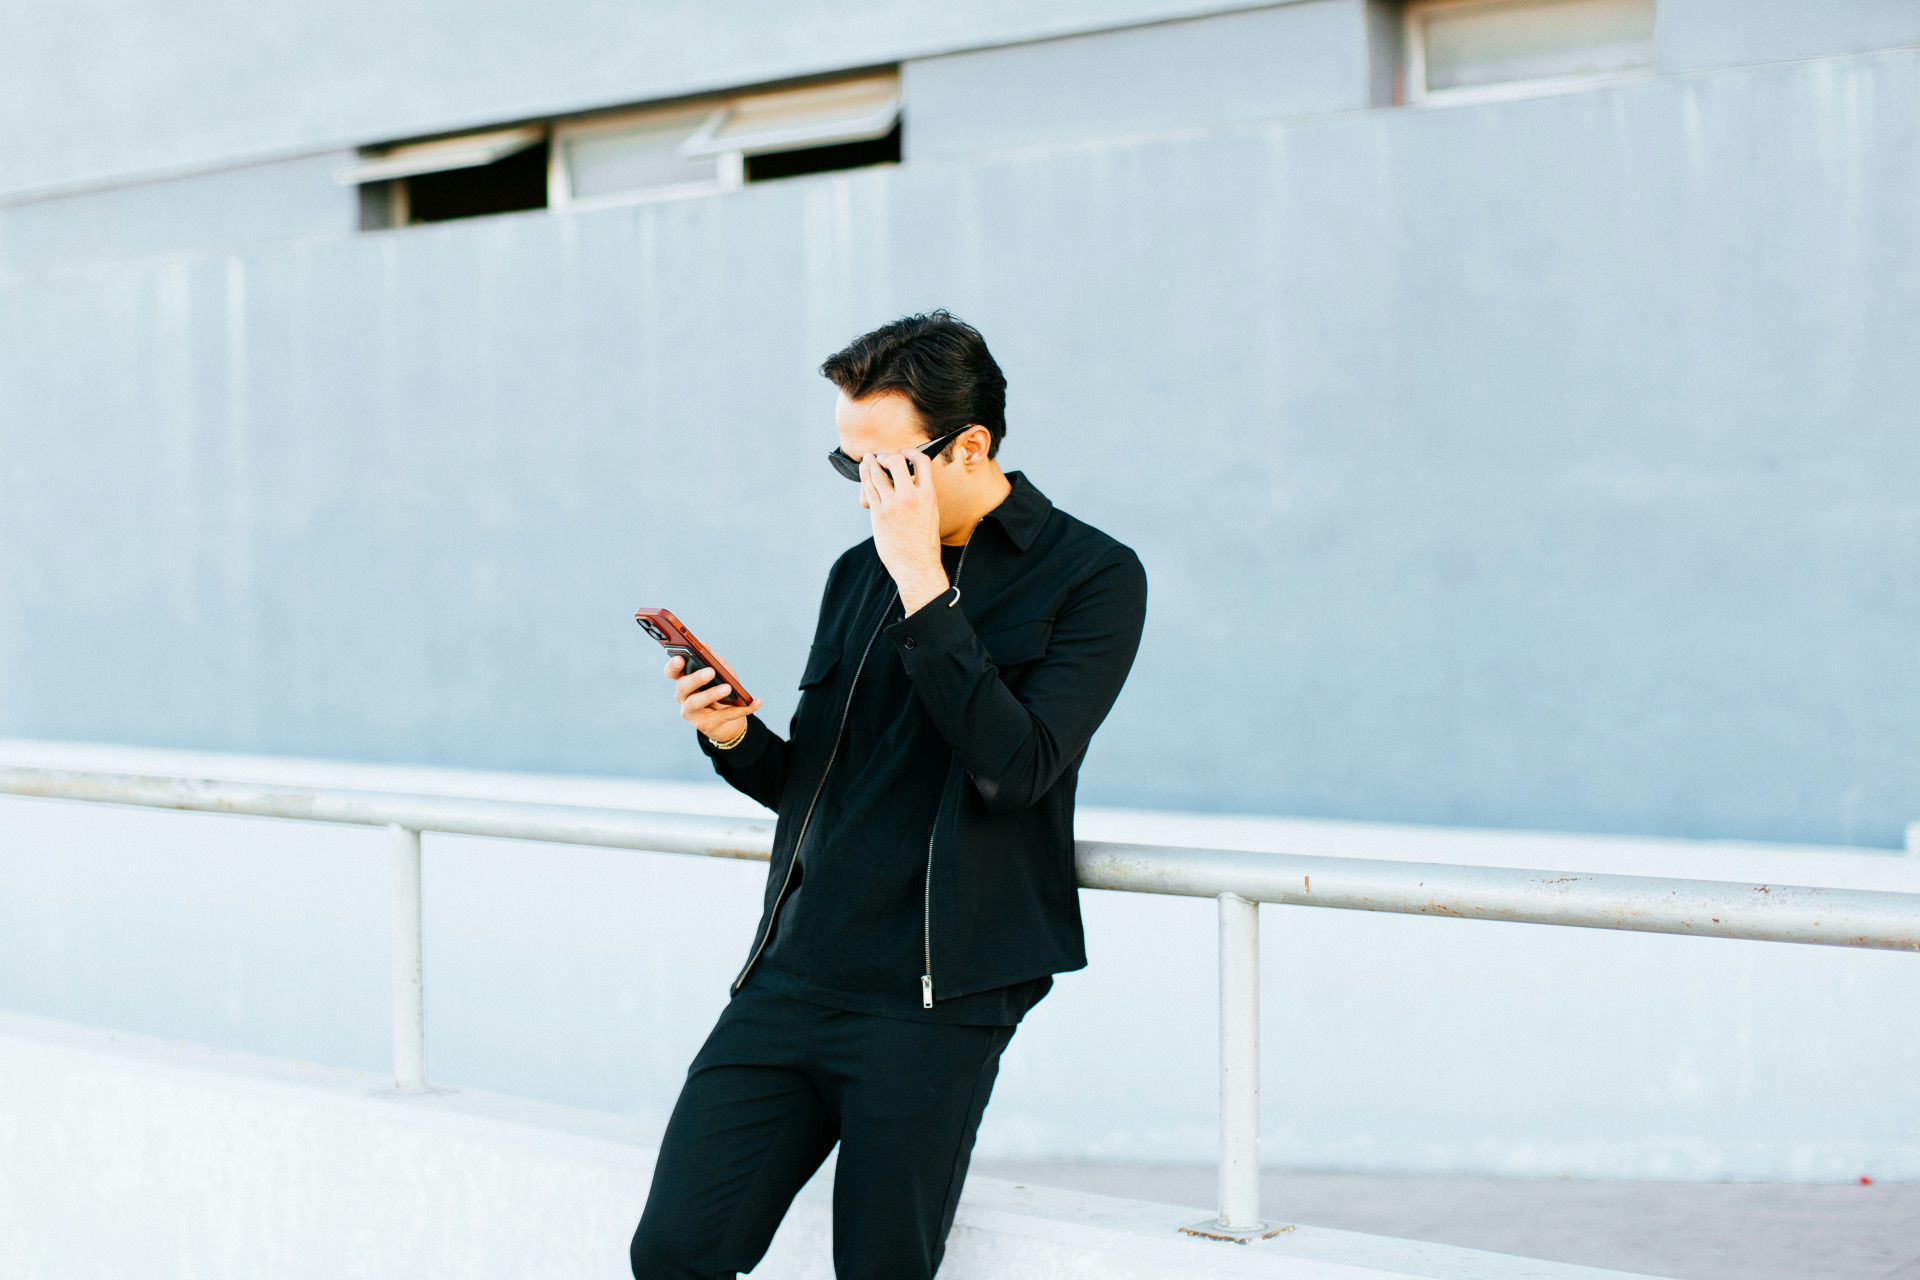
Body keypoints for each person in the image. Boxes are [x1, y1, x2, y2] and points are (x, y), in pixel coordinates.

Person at [629, 311, 1148, 1279]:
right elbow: (824, 785)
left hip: (937, 997)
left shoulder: (1094, 576)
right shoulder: (854, 573)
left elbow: (1017, 769)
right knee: (673, 1250)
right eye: (849, 463)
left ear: (971, 446)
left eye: (888, 465)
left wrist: (921, 577)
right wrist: (732, 736)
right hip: (794, 971)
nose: (867, 490)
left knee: (879, 1269)